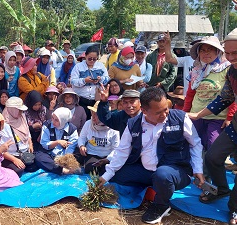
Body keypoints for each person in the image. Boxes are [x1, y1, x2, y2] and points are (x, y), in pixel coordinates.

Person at [98, 87, 204, 224]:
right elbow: (122, 152)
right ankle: (157, 187)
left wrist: (198, 169)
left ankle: (161, 205)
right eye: (158, 112)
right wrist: (106, 175)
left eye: (166, 109)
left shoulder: (180, 118)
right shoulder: (133, 124)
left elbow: (195, 144)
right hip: (147, 171)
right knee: (116, 174)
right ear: (144, 111)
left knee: (163, 175)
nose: (165, 114)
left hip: (175, 171)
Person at [187, 28, 237, 224]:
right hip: (235, 127)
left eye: (236, 53)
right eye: (229, 53)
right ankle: (222, 189)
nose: (232, 57)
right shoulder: (232, 71)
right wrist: (198, 114)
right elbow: (225, 98)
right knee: (213, 157)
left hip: (226, 120)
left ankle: (234, 209)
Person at [183, 36, 234, 153]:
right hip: (196, 116)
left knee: (213, 147)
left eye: (210, 49)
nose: (206, 53)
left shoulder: (227, 69)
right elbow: (190, 95)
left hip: (217, 118)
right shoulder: (196, 71)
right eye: (202, 50)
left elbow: (231, 96)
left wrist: (229, 117)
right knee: (194, 146)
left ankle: (211, 171)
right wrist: (185, 113)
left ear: (218, 51)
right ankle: (197, 171)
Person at [76, 101, 119, 174]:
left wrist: (107, 159)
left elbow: (116, 148)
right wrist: (81, 146)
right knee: (90, 169)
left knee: (108, 171)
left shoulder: (113, 127)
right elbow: (82, 138)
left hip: (107, 155)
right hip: (92, 153)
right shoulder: (88, 123)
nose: (93, 117)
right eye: (92, 113)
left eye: (96, 114)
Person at [35, 107, 78, 175]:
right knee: (39, 157)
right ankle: (61, 170)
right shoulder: (47, 125)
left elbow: (71, 147)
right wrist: (58, 142)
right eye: (52, 118)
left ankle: (63, 166)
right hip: (48, 152)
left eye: (56, 120)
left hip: (63, 155)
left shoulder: (72, 129)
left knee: (77, 155)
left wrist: (64, 159)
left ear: (63, 120)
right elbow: (44, 143)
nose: (53, 121)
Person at [0, 97, 35, 176]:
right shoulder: (3, 125)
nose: (21, 112)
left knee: (34, 166)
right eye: (19, 110)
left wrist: (30, 143)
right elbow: (0, 149)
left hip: (24, 152)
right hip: (11, 155)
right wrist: (14, 160)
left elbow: (27, 132)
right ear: (12, 110)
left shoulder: (22, 116)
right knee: (18, 171)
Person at [70, 46, 109, 119]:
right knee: (81, 120)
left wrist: (100, 79)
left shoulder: (100, 66)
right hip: (81, 100)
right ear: (85, 56)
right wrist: (84, 80)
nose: (92, 61)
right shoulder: (78, 67)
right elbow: (73, 81)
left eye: (94, 59)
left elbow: (107, 79)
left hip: (96, 100)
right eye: (90, 58)